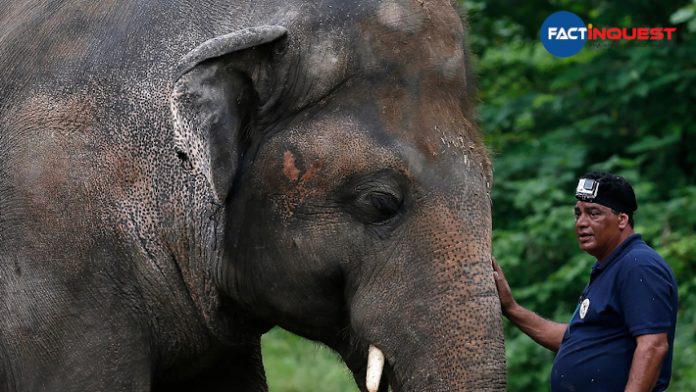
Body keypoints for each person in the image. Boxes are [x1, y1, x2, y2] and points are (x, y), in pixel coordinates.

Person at [492, 171, 678, 392]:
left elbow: (654, 346)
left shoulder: (639, 264)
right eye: (578, 214)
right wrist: (511, 308)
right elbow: (575, 339)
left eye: (593, 213)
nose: (581, 223)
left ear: (622, 219)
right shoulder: (609, 267)